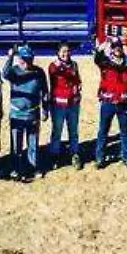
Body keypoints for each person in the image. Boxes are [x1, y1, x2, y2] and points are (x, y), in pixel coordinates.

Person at [94, 28, 127, 169]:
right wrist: (103, 44)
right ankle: (100, 158)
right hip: (108, 102)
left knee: (125, 132)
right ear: (111, 49)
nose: (117, 50)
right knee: (103, 131)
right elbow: (97, 57)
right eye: (114, 47)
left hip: (124, 103)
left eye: (119, 47)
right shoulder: (105, 63)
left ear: (122, 48)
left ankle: (126, 157)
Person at [3, 45, 48, 181]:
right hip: (17, 114)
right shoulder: (14, 72)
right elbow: (5, 73)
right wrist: (10, 57)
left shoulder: (39, 72)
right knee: (16, 144)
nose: (26, 62)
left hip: (33, 112)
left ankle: (32, 167)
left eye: (29, 59)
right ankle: (16, 168)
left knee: (32, 142)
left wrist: (45, 109)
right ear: (19, 59)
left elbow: (45, 91)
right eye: (23, 59)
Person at [47, 41, 85, 170]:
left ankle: (74, 153)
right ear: (58, 53)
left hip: (73, 103)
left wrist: (78, 86)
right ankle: (54, 155)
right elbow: (58, 74)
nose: (66, 54)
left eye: (68, 51)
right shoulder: (54, 66)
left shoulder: (74, 64)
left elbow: (78, 79)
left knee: (73, 130)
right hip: (59, 104)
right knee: (57, 130)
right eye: (63, 51)